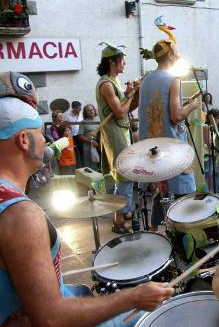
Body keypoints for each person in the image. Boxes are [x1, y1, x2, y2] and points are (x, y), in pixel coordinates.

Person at [0, 72, 174, 326]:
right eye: (39, 132)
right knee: (155, 318)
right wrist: (133, 297)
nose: (46, 140)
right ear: (24, 141)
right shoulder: (21, 215)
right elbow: (51, 318)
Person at [138, 38, 199, 230]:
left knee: (160, 192)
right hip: (172, 147)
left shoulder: (146, 79)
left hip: (152, 149)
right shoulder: (174, 80)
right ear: (171, 55)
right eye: (176, 51)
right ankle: (183, 235)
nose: (179, 55)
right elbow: (175, 116)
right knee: (183, 193)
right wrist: (191, 106)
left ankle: (154, 233)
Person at [96, 42, 140, 233]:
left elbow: (129, 108)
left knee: (124, 176)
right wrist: (129, 94)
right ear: (112, 62)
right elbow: (121, 113)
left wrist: (134, 93)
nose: (124, 64)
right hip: (115, 133)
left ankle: (120, 215)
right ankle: (120, 220)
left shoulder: (115, 83)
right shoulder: (106, 84)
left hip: (122, 131)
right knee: (125, 175)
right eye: (122, 61)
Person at [78, 104, 100, 171]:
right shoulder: (83, 122)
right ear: (85, 112)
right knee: (89, 169)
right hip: (88, 148)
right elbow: (80, 136)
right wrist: (91, 142)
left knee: (99, 167)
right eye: (89, 110)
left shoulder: (99, 119)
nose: (91, 111)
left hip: (99, 147)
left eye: (92, 109)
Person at [65, 100, 83, 166]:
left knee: (82, 152)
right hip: (73, 137)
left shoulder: (81, 115)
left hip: (81, 136)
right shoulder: (68, 117)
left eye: (80, 108)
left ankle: (83, 165)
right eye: (78, 108)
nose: (80, 110)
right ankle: (76, 166)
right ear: (74, 108)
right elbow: (67, 128)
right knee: (74, 153)